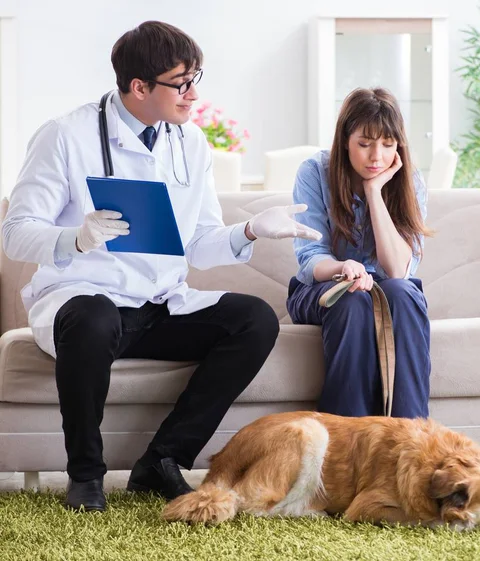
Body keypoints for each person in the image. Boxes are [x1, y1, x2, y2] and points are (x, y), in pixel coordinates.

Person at [2, 21, 321, 512]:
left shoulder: (189, 143)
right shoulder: (65, 135)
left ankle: (162, 460)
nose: (194, 94)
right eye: (182, 83)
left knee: (253, 318)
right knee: (93, 315)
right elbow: (15, 232)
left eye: (197, 78)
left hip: (160, 301)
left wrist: (252, 229)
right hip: (86, 299)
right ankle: (85, 474)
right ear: (139, 87)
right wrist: (75, 237)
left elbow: (197, 244)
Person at [286, 87, 431, 420]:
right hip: (324, 287)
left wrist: (374, 192)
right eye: (364, 144)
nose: (376, 157)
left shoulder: (409, 179)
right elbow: (310, 259)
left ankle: (411, 437)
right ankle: (346, 443)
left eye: (387, 145)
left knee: (404, 293)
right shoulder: (315, 172)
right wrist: (343, 266)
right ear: (345, 140)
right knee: (351, 299)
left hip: (385, 288)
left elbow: (397, 270)